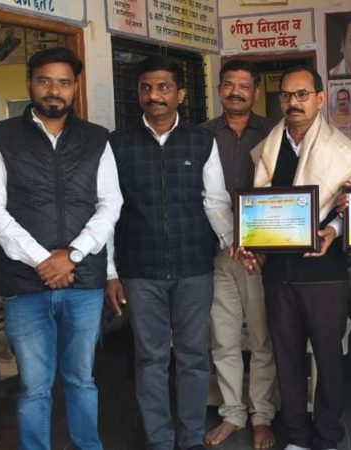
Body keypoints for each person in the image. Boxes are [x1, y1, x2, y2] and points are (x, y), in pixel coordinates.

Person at [0, 46, 123, 450]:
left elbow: (110, 205)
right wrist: (43, 259)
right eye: (45, 81)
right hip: (26, 284)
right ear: (30, 84)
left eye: (63, 82)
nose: (54, 90)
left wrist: (72, 255)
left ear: (75, 87)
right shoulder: (1, 138)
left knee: (81, 380)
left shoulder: (97, 139)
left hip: (83, 282)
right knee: (34, 387)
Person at [239, 66, 351, 450]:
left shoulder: (341, 152)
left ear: (319, 98)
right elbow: (260, 208)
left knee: (328, 357)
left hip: (324, 273)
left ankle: (328, 436)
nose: (293, 102)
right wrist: (251, 242)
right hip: (278, 273)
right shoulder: (270, 147)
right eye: (286, 95)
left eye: (302, 95)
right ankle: (297, 437)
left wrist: (333, 230)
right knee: (286, 357)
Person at [105, 56, 233, 450]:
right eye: (146, 87)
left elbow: (215, 201)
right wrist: (110, 271)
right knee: (150, 359)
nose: (154, 95)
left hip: (194, 266)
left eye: (163, 87)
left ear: (181, 94)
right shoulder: (117, 144)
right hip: (140, 270)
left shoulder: (201, 141)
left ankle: (190, 438)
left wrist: (233, 242)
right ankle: (159, 440)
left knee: (193, 356)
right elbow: (108, 209)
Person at [201, 60, 278, 450]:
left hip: (261, 257)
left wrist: (261, 247)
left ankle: (262, 415)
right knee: (224, 339)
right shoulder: (201, 135)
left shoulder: (274, 132)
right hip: (216, 253)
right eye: (228, 84)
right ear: (219, 89)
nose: (235, 92)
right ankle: (232, 412)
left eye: (244, 86)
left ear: (255, 92)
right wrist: (230, 240)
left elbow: (285, 192)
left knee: (263, 340)